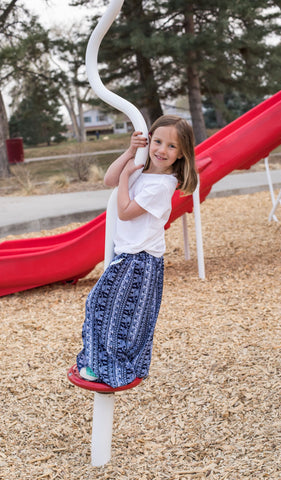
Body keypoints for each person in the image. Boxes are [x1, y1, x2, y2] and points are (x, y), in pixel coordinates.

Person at [76, 115, 198, 388]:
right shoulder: (143, 170)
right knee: (109, 309)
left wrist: (127, 177)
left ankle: (108, 368)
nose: (161, 150)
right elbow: (110, 178)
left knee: (112, 311)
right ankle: (100, 363)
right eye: (157, 142)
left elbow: (125, 212)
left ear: (181, 154)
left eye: (171, 147)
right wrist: (131, 153)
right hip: (129, 255)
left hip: (140, 259)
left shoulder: (162, 184)